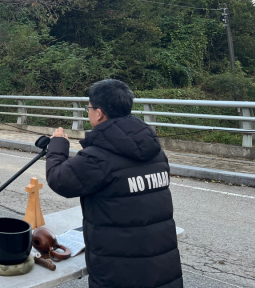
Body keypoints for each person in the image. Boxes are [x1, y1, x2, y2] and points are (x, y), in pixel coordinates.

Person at [45, 79, 182, 288]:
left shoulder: (99, 156)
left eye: (89, 108)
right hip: (161, 267)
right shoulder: (155, 151)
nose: (88, 112)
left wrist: (57, 145)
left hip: (119, 272)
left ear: (99, 113)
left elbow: (60, 179)